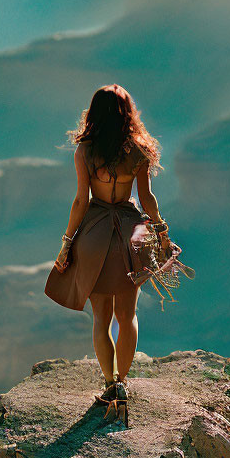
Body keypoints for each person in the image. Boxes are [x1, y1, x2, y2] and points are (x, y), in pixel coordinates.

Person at [44, 83, 172, 426]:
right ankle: (124, 383)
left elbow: (80, 202)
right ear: (128, 113)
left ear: (94, 114)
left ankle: (110, 385)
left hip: (95, 235)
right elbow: (146, 199)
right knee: (127, 315)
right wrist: (161, 233)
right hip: (133, 235)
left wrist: (67, 243)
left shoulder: (85, 151)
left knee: (101, 316)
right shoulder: (140, 150)